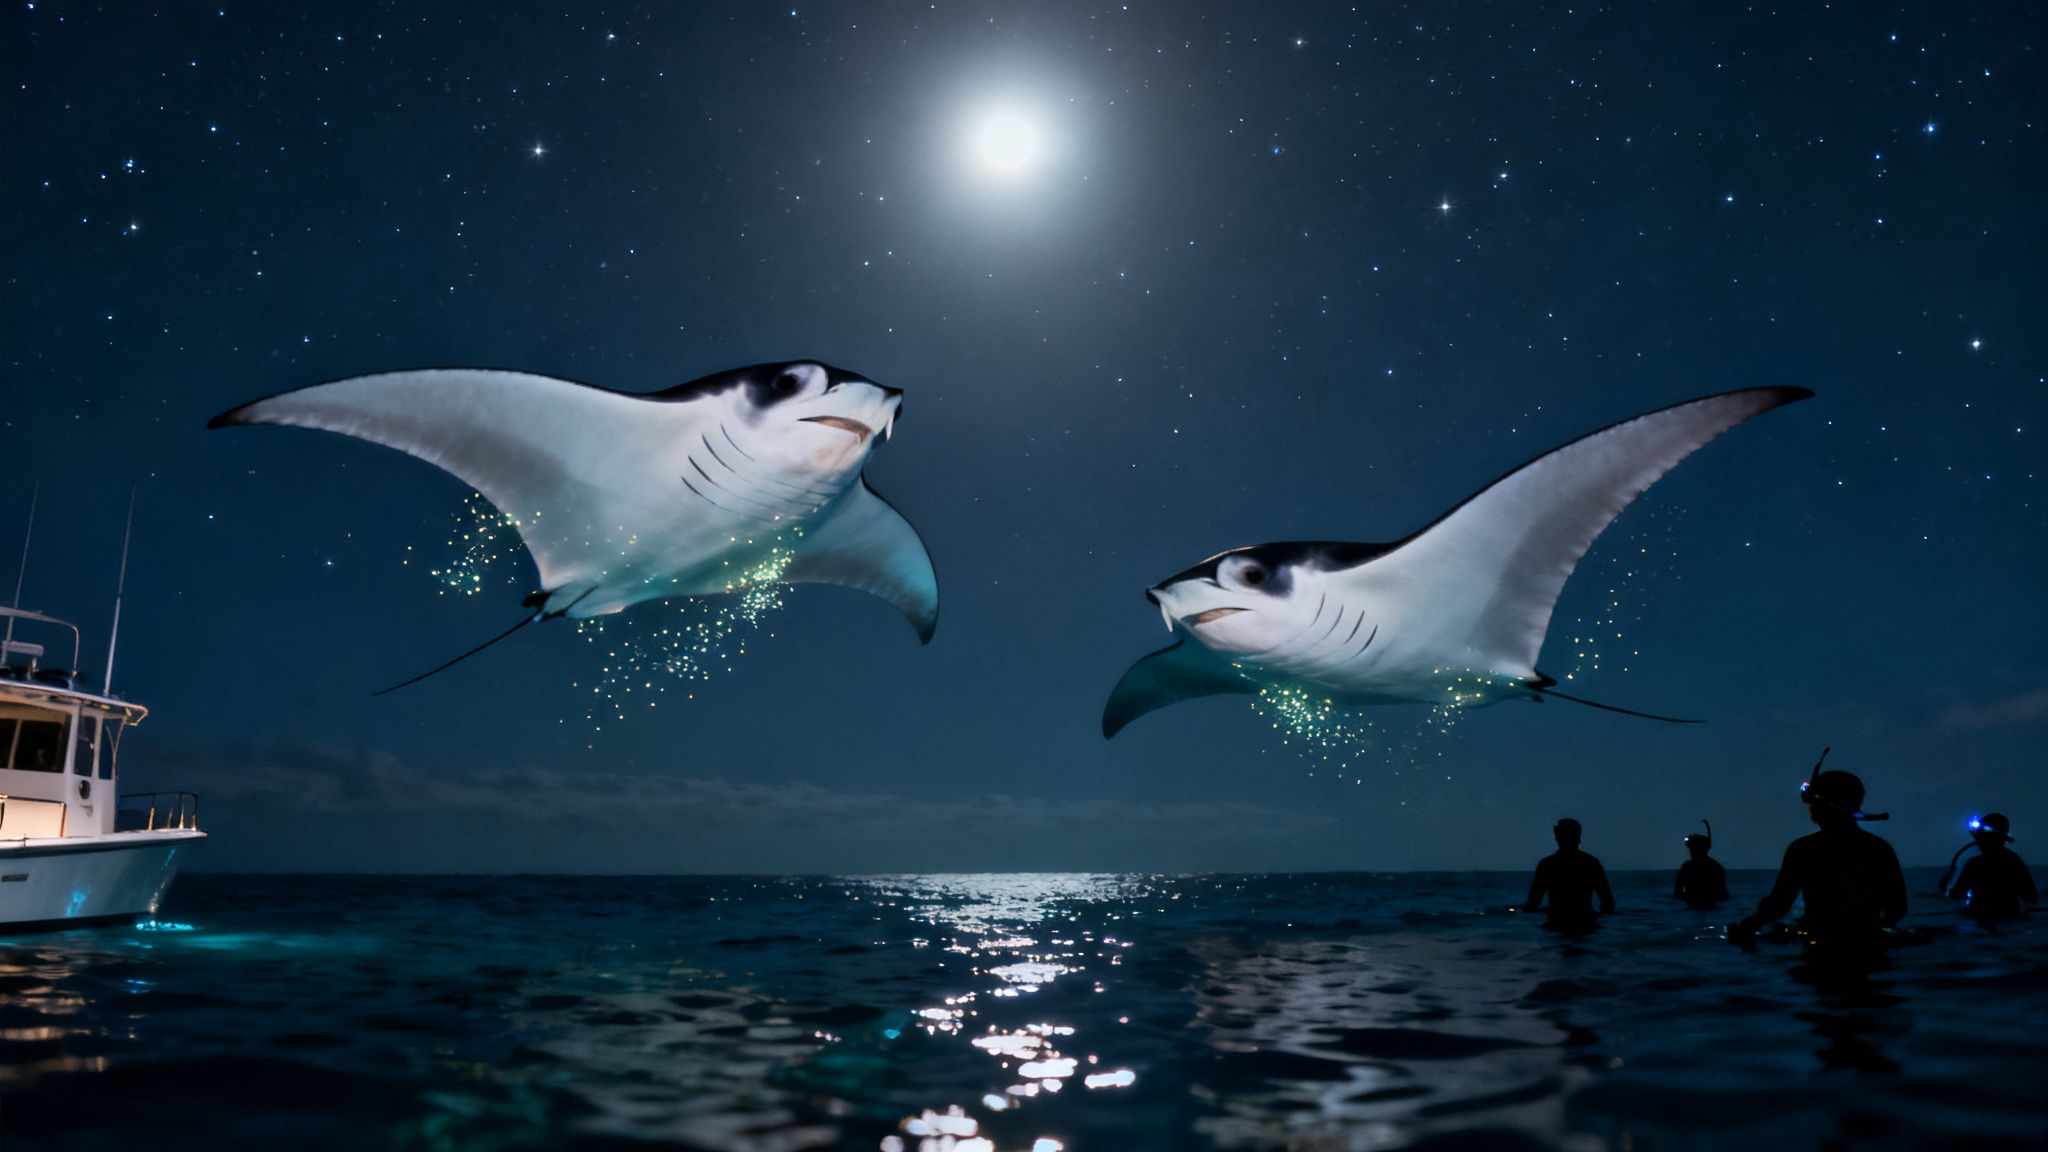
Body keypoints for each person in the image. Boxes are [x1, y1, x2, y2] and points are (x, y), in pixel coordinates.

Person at [1731, 768, 1907, 955]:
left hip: (1819, 948)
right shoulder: (1880, 848)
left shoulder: (1803, 850)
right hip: (1871, 951)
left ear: (1819, 804)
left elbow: (1778, 907)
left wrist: (1745, 926)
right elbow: (1898, 909)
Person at [1524, 817, 1614, 931]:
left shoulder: (1547, 865)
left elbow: (1533, 903)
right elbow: (1607, 902)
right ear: (1579, 838)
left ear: (1557, 838)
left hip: (1557, 922)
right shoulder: (1590, 863)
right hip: (1586, 922)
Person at [1943, 813, 2037, 922]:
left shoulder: (1974, 864)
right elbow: (2031, 897)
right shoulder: (2015, 861)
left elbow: (1956, 895)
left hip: (1979, 919)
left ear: (1983, 836)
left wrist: (1946, 882)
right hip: (2012, 918)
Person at [1673, 820, 1730, 908]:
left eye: (1695, 848)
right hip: (1700, 905)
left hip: (1701, 904)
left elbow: (1678, 893)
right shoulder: (1688, 867)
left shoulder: (1713, 868)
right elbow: (1678, 891)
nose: (1692, 851)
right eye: (1691, 848)